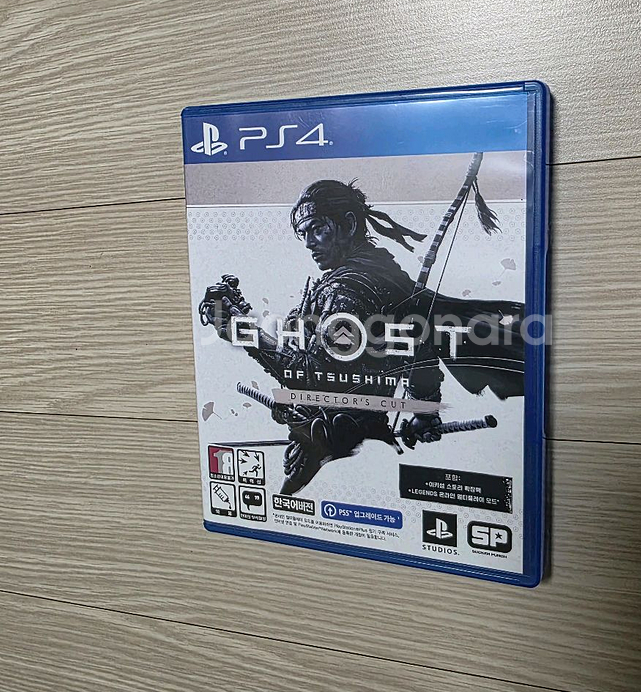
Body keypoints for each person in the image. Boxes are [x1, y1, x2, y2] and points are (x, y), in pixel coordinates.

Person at [201, 179, 524, 494]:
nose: (309, 242)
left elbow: (314, 375)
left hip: (334, 435)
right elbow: (419, 345)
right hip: (344, 431)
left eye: (317, 228)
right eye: (303, 233)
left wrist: (240, 330)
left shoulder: (345, 290)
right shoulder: (385, 274)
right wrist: (425, 414)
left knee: (284, 501)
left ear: (349, 224)